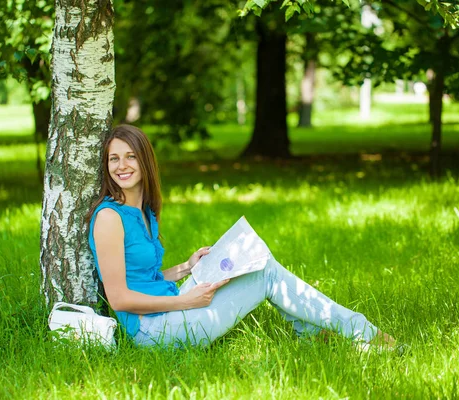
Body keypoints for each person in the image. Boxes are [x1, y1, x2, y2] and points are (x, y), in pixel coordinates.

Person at [87, 124, 397, 349]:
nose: (121, 166)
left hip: (169, 305)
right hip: (152, 332)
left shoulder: (145, 211)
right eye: (114, 159)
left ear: (145, 161)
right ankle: (362, 332)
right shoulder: (110, 218)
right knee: (265, 272)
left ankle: (316, 331)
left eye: (130, 156)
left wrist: (186, 267)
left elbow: (145, 278)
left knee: (255, 260)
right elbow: (120, 298)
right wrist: (186, 300)